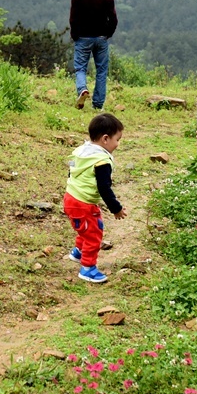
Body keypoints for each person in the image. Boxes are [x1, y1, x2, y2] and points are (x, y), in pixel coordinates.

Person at [64, 113, 127, 283]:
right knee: (93, 233)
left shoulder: (81, 151)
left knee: (84, 228)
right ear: (105, 139)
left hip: (70, 198)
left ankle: (78, 251)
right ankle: (88, 268)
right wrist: (116, 208)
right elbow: (104, 188)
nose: (118, 144)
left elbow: (71, 170)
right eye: (117, 139)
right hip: (83, 203)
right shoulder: (101, 161)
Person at [69, 0, 118, 110]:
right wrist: (108, 34)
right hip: (101, 38)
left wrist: (75, 35)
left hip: (83, 38)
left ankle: (82, 89)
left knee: (80, 68)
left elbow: (73, 19)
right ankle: (97, 104)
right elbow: (113, 19)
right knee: (101, 71)